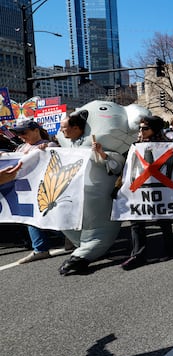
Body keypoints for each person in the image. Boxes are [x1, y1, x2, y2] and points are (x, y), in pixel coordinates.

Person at [57, 110, 126, 275]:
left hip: (99, 201)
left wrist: (101, 153)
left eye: (64, 127)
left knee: (99, 231)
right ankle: (88, 248)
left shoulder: (99, 147)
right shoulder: (64, 148)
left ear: (76, 128)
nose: (61, 131)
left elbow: (116, 167)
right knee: (62, 221)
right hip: (71, 198)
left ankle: (81, 257)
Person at [121, 116, 173, 270]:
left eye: (145, 128)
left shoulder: (165, 145)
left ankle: (170, 250)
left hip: (161, 189)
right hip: (140, 190)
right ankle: (138, 255)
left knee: (164, 221)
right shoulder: (136, 146)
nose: (141, 131)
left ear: (154, 129)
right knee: (136, 221)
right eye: (140, 128)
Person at [9, 119, 64, 265]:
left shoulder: (49, 145)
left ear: (36, 130)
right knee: (31, 218)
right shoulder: (20, 148)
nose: (20, 136)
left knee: (51, 216)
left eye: (23, 132)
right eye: (18, 133)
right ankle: (40, 248)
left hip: (45, 188)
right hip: (26, 189)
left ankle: (70, 238)